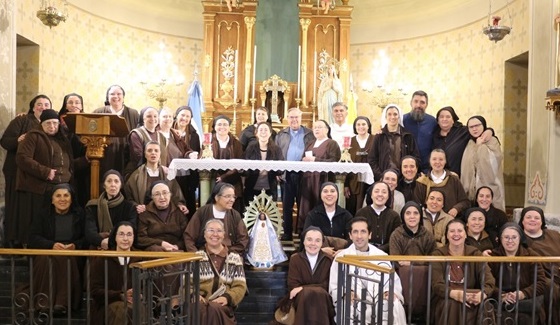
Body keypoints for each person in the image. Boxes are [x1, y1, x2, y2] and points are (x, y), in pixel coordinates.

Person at [330, 217, 407, 324]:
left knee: (394, 304)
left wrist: (389, 292)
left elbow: (392, 281)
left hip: (378, 299)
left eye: (363, 232)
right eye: (355, 232)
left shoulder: (381, 256)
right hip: (354, 300)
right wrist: (346, 292)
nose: (359, 236)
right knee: (348, 306)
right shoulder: (341, 258)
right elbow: (334, 284)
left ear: (369, 234)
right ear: (350, 235)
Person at [15, 109, 74, 247]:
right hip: (39, 190)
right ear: (41, 124)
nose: (52, 126)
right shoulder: (33, 136)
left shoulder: (63, 140)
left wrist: (86, 160)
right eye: (48, 123)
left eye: (55, 123)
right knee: (37, 225)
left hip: (61, 189)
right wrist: (45, 172)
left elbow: (68, 165)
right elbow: (22, 158)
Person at [27, 183, 87, 315]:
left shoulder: (80, 215)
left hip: (71, 253)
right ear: (52, 200)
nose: (62, 199)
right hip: (48, 250)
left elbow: (86, 238)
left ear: (71, 199)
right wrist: (51, 245)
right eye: (58, 196)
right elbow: (32, 237)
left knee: (67, 259)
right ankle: (43, 302)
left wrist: (75, 245)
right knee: (45, 260)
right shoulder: (42, 215)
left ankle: (62, 303)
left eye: (66, 195)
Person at [1, 95, 52, 247]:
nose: (43, 107)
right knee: (16, 209)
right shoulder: (22, 120)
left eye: (46, 104)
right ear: (33, 107)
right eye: (39, 104)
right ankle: (13, 242)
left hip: (35, 175)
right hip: (16, 172)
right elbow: (4, 141)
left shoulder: (49, 124)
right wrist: (18, 139)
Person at [431, 219, 495, 325]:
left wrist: (482, 294)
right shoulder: (438, 255)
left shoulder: (475, 254)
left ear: (465, 234)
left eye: (460, 231)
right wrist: (455, 294)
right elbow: (437, 284)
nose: (456, 234)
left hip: (471, 295)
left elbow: (489, 280)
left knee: (485, 304)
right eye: (452, 231)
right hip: (446, 297)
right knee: (453, 304)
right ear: (446, 235)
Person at [486, 222, 547, 324]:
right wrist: (502, 295)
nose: (510, 241)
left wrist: (522, 294)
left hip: (525, 302)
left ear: (520, 239)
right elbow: (487, 282)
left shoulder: (531, 256)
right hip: (500, 303)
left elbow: (541, 282)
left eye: (514, 237)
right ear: (500, 239)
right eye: (506, 237)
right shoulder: (492, 256)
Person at [196, 219, 247, 324]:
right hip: (199, 302)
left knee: (214, 309)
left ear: (224, 235)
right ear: (204, 234)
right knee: (201, 309)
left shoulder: (234, 258)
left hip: (222, 304)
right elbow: (186, 285)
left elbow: (240, 286)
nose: (215, 234)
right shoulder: (195, 257)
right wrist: (193, 295)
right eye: (211, 230)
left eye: (219, 231)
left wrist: (227, 298)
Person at [275, 107, 315, 240]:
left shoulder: (310, 133)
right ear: (287, 119)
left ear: (301, 118)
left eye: (296, 117)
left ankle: (303, 232)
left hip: (304, 174)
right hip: (287, 173)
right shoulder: (281, 134)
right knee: (287, 205)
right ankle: (287, 233)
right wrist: (277, 171)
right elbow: (276, 153)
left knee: (304, 205)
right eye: (291, 117)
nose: (294, 120)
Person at [90, 221, 141, 325]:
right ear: (115, 237)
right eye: (121, 234)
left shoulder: (141, 259)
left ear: (134, 237)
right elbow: (95, 291)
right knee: (122, 310)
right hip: (108, 304)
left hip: (136, 303)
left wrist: (140, 295)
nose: (125, 239)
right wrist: (120, 295)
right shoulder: (102, 260)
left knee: (136, 309)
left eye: (129, 235)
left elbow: (150, 287)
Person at [518, 206, 560, 324]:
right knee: (552, 288)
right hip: (538, 275)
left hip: (558, 271)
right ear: (522, 221)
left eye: (537, 217)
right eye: (529, 217)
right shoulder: (519, 238)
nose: (533, 220)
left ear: (542, 221)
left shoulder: (554, 235)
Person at [298, 119, 341, 232]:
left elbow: (334, 160)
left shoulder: (332, 143)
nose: (316, 129)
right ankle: (305, 232)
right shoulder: (310, 143)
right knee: (306, 206)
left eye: (319, 127)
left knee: (319, 205)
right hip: (308, 180)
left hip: (322, 180)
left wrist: (315, 160)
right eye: (315, 127)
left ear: (326, 129)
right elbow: (303, 158)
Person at [286, 226, 335, 324]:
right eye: (309, 240)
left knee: (319, 294)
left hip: (323, 300)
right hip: (301, 301)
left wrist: (303, 288)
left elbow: (328, 285)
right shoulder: (295, 259)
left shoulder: (328, 260)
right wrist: (304, 290)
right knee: (307, 295)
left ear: (322, 243)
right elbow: (293, 285)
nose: (313, 244)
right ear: (303, 241)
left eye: (317, 241)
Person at [184, 183, 249, 255]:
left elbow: (243, 239)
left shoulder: (235, 215)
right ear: (216, 198)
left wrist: (229, 253)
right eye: (228, 196)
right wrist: (196, 254)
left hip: (228, 256)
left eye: (233, 197)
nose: (232, 200)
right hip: (204, 255)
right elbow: (189, 236)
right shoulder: (202, 212)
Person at [124, 141, 187, 215]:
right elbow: (128, 198)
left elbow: (177, 194)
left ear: (160, 154)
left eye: (156, 150)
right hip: (144, 214)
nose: (153, 153)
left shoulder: (167, 174)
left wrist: (180, 204)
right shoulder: (136, 176)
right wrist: (136, 206)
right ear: (145, 154)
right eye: (149, 150)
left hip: (166, 213)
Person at [94, 85, 139, 179]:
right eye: (112, 94)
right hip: (104, 157)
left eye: (119, 94)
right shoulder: (98, 112)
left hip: (126, 157)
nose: (116, 96)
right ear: (108, 97)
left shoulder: (133, 114)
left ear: (123, 97)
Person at [461, 115, 505, 210]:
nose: (474, 129)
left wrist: (480, 146)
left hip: (490, 188)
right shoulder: (469, 143)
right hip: (471, 192)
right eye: (471, 127)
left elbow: (494, 161)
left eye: (477, 125)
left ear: (484, 126)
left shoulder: (492, 141)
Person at [433, 107, 494, 176]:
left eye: (448, 117)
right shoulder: (433, 135)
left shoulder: (463, 131)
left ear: (453, 120)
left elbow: (478, 132)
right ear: (437, 120)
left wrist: (490, 130)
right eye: (441, 117)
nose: (444, 119)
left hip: (459, 176)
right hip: (439, 176)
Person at [85, 170, 137, 249]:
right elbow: (90, 232)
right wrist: (101, 241)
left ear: (121, 185)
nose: (113, 185)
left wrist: (110, 239)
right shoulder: (93, 206)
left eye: (116, 181)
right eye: (109, 181)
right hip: (99, 245)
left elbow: (131, 231)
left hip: (122, 245)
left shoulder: (129, 207)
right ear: (104, 185)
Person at [413, 149, 470, 217]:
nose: (437, 162)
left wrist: (456, 209)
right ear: (429, 161)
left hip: (451, 221)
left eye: (441, 159)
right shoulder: (422, 182)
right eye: (434, 159)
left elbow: (465, 201)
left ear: (445, 161)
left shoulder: (453, 179)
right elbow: (417, 204)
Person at [369, 104, 419, 180]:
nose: (392, 117)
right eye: (389, 114)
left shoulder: (408, 136)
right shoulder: (379, 136)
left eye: (395, 114)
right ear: (385, 117)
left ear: (399, 116)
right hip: (384, 178)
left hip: (403, 179)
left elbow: (415, 157)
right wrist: (381, 176)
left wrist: (408, 175)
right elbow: (372, 159)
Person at [303, 182, 353, 258]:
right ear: (320, 194)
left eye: (332, 191)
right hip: (318, 256)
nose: (329, 194)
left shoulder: (346, 215)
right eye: (325, 191)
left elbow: (352, 238)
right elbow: (306, 237)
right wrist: (320, 250)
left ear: (337, 194)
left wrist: (344, 251)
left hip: (342, 257)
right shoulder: (312, 215)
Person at [136, 181, 188, 252]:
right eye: (157, 194)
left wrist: (177, 246)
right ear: (152, 197)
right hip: (155, 251)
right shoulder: (145, 214)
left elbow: (186, 236)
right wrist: (161, 243)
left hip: (176, 250)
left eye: (165, 193)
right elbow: (140, 239)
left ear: (170, 195)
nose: (162, 197)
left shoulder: (179, 213)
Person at [58, 93, 90, 207]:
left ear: (81, 107)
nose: (74, 105)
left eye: (77, 102)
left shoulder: (88, 122)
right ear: (65, 106)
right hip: (63, 167)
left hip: (83, 168)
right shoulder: (56, 123)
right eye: (70, 102)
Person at [209, 115, 245, 213]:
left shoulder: (236, 144)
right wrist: (217, 177)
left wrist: (223, 178)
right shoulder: (208, 142)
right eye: (219, 124)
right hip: (212, 180)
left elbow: (239, 164)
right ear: (215, 127)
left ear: (229, 127)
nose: (222, 127)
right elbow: (205, 161)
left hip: (233, 179)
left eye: (225, 124)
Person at [355, 181, 401, 253]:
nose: (380, 194)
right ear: (371, 195)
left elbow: (395, 240)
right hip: (363, 253)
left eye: (384, 192)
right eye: (376, 191)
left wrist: (378, 250)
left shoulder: (394, 216)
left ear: (388, 196)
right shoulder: (361, 213)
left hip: (386, 256)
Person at [172, 106, 201, 219]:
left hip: (188, 175)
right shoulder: (168, 132)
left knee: (189, 201)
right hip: (173, 174)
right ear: (176, 116)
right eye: (182, 115)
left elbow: (196, 152)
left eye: (187, 116)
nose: (184, 118)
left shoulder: (194, 135)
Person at [243, 122, 284, 201]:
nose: (263, 132)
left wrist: (273, 168)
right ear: (256, 133)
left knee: (268, 213)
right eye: (261, 130)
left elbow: (281, 170)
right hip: (252, 188)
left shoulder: (276, 149)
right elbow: (246, 168)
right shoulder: (251, 148)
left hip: (270, 189)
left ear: (270, 133)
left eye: (266, 130)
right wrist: (242, 170)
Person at [344, 116, 373, 215]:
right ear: (355, 127)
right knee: (352, 209)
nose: (361, 127)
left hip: (370, 181)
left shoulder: (375, 139)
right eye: (358, 124)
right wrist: (346, 184)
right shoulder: (349, 141)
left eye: (364, 124)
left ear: (368, 126)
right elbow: (345, 163)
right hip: (353, 181)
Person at [126, 106, 166, 177]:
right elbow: (138, 157)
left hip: (159, 173)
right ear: (143, 119)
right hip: (139, 173)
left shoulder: (162, 137)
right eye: (149, 116)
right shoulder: (136, 134)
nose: (152, 119)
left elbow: (164, 157)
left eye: (155, 116)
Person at [402, 90, 436, 173]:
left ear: (426, 105)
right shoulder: (402, 120)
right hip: (407, 168)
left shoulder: (432, 121)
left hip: (427, 168)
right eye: (416, 101)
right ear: (411, 103)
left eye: (422, 102)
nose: (418, 105)